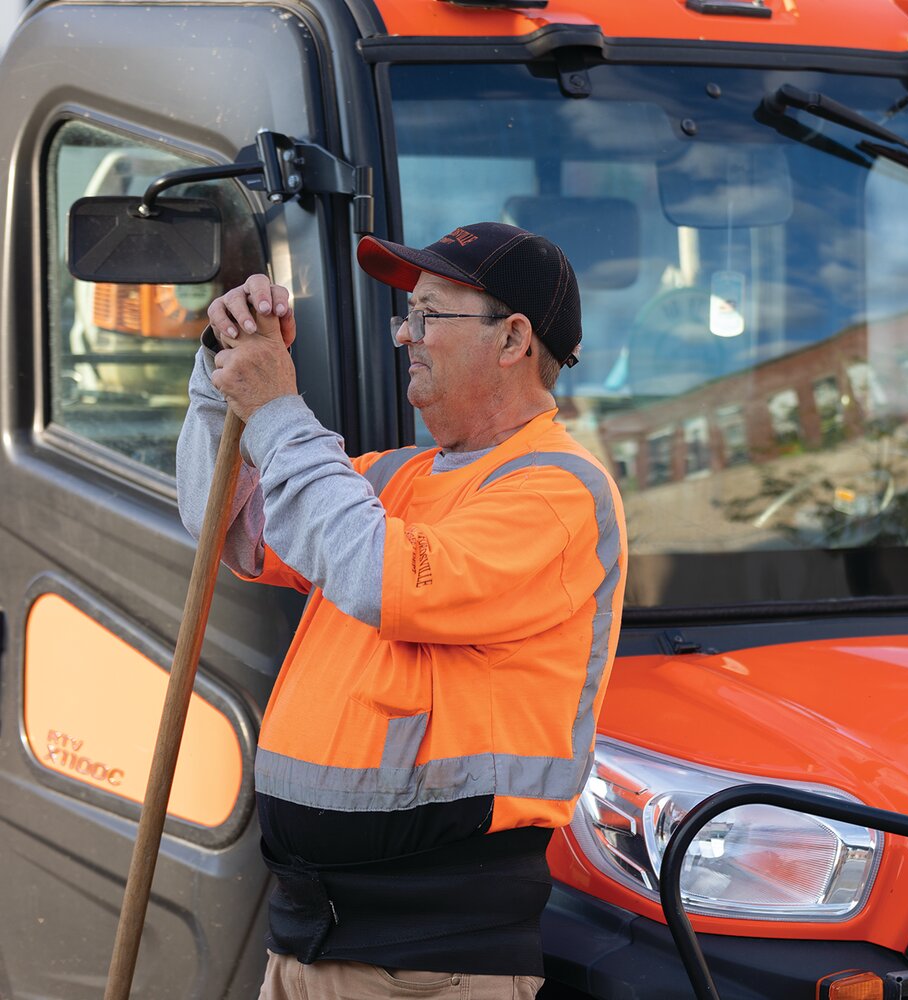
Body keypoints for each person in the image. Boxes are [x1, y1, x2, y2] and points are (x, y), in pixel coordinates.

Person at [176, 222, 627, 1000]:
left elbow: (381, 576)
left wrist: (280, 412)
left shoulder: (558, 491)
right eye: (405, 317)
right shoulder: (398, 475)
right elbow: (231, 528)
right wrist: (223, 376)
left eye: (428, 317)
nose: (406, 338)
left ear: (514, 338)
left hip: (428, 965)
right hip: (314, 939)